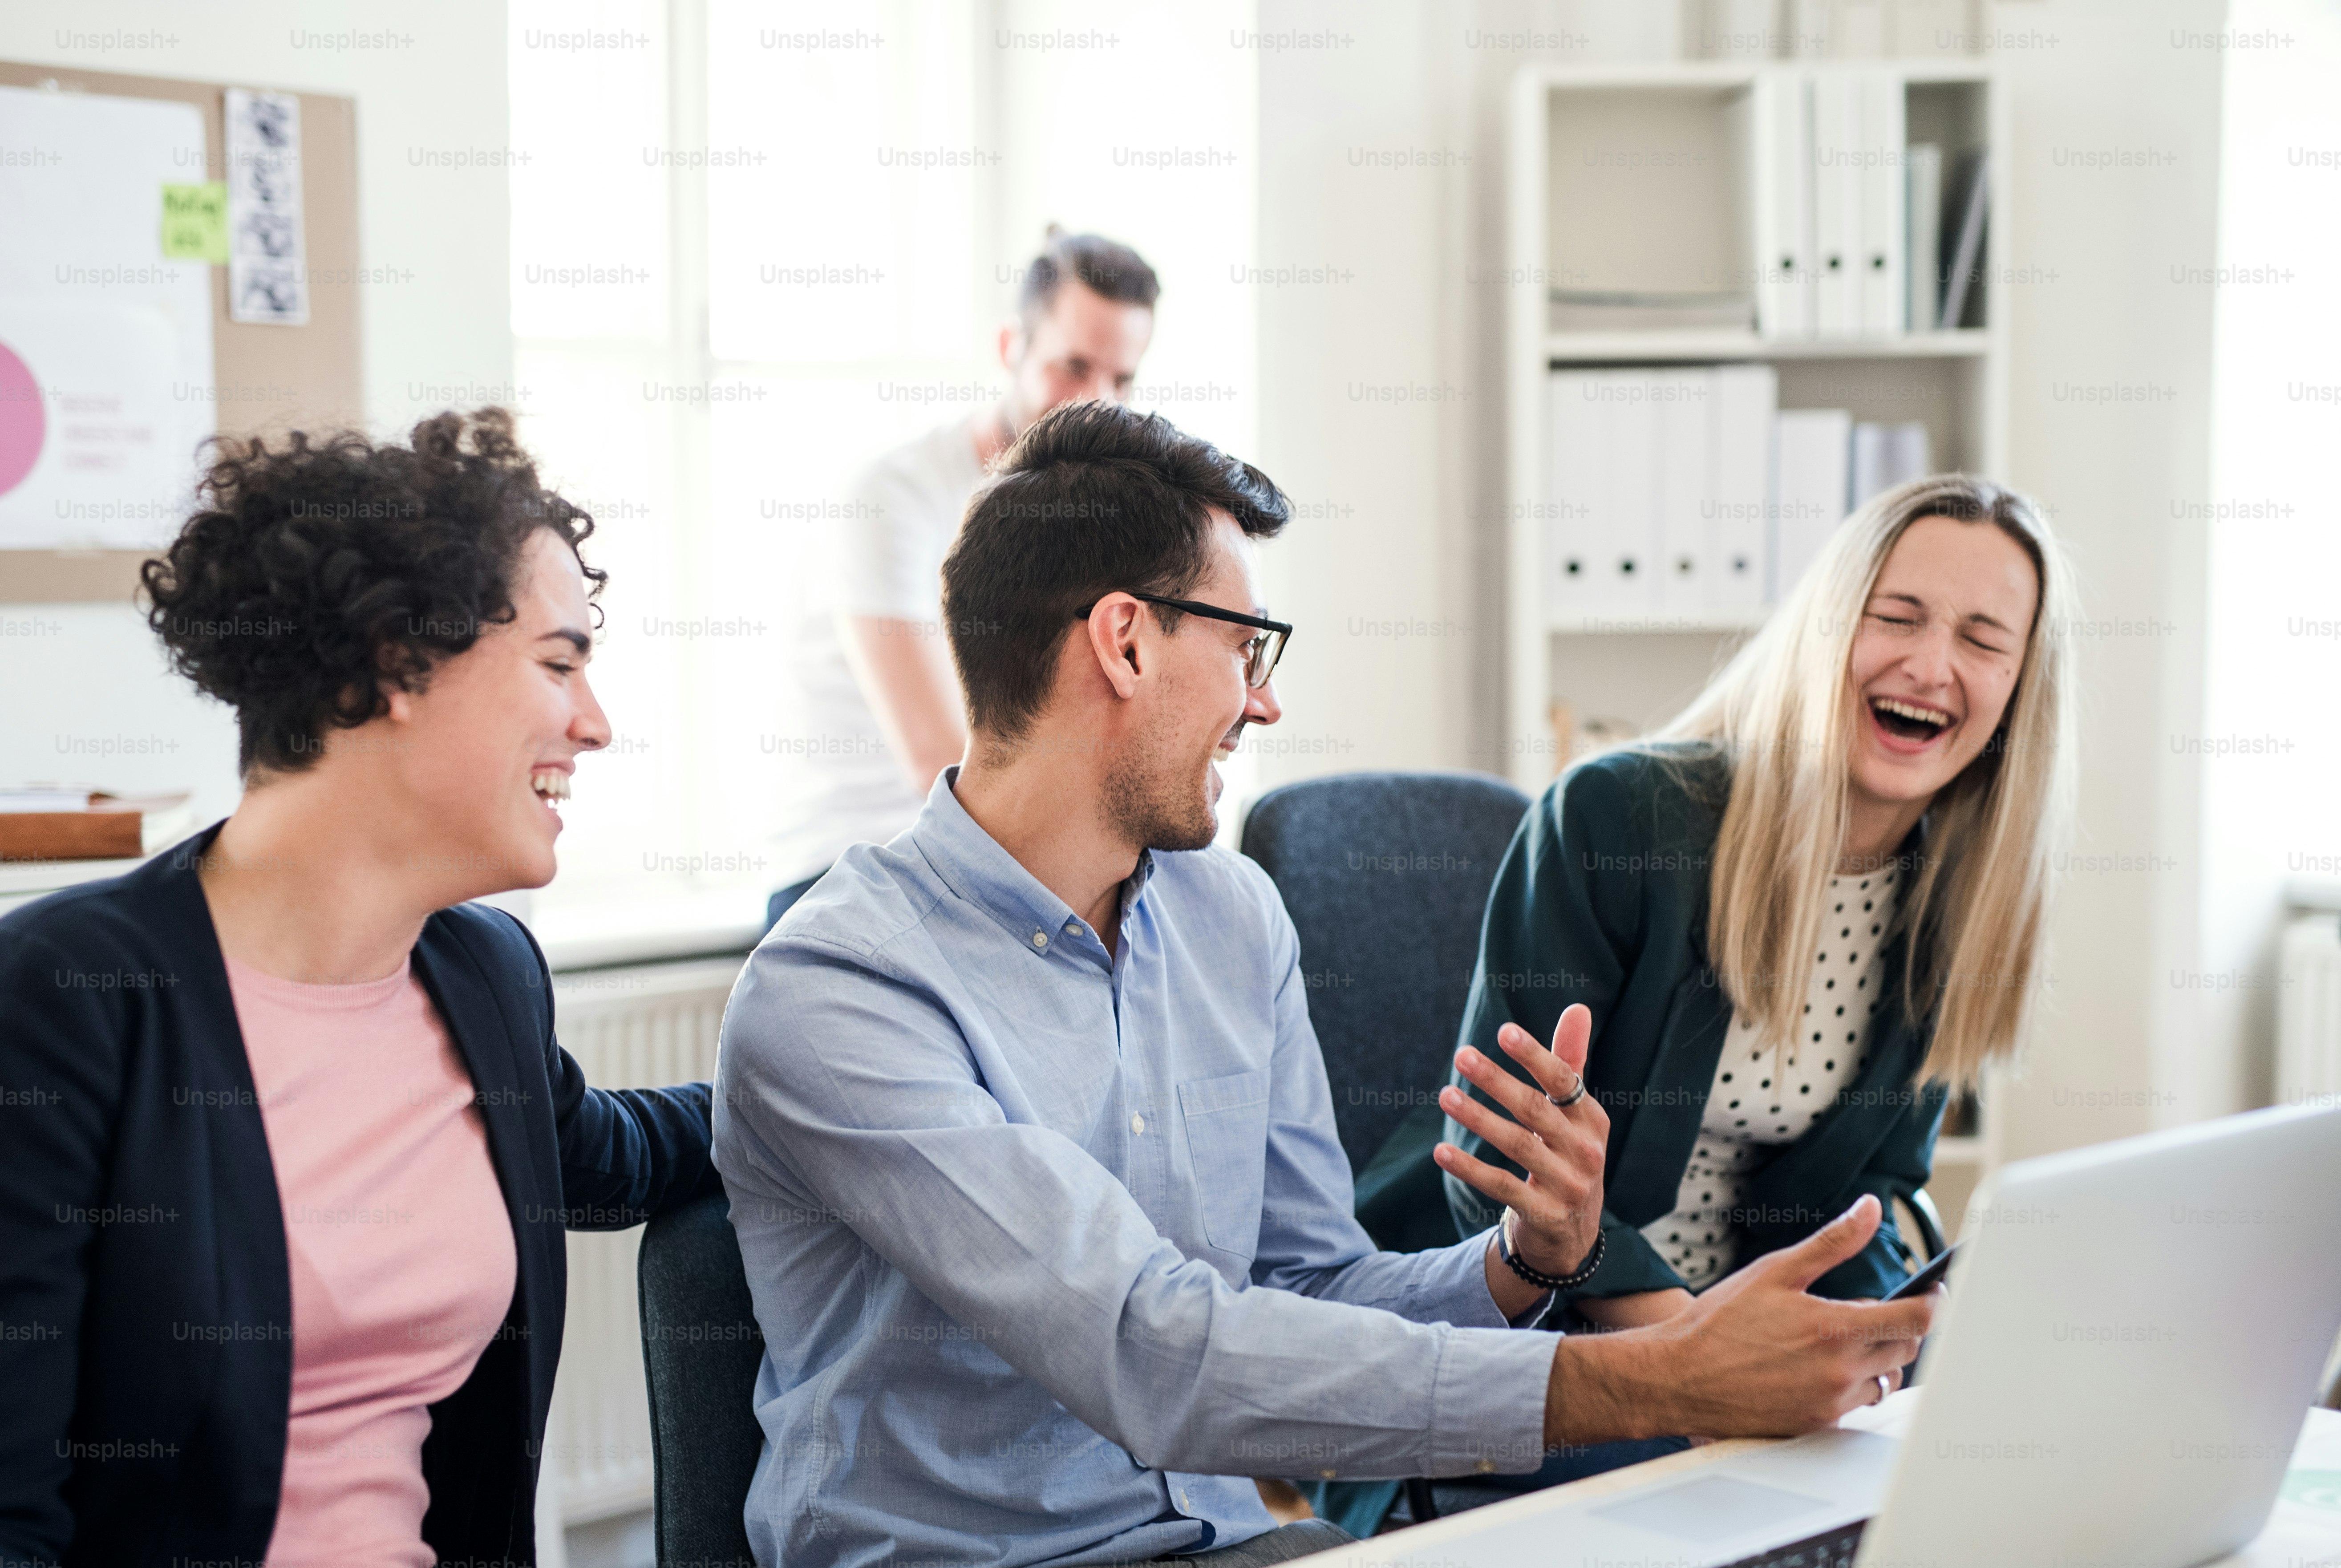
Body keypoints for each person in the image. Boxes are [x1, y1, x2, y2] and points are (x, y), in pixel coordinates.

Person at [713, 402, 1940, 1568]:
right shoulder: (840, 985)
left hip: (1232, 1539)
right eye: (1245, 646)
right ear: (1125, 639)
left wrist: (1524, 1259)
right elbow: (1155, 1350)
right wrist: (1662, 1375)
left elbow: (1308, 1285)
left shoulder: (1228, 914)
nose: (1265, 698)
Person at [0, 412, 720, 1568]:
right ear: (398, 660)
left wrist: (846, 1079)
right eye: (557, 661)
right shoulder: (65, 998)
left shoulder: (483, 973)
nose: (595, 723)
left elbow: (604, 1148)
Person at [1369, 474, 2074, 1521]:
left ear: (2019, 688)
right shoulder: (1615, 820)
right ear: (1828, 627)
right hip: (1538, 1342)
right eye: (1896, 617)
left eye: (1982, 639)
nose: (1930, 667)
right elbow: (1501, 1177)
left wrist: (1857, 1346)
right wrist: (1696, 1354)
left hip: (1743, 1364)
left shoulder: (1955, 904)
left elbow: (1870, 1190)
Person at [768, 229, 1160, 929]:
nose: (1098, 402)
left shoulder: (1089, 518)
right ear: (1011, 349)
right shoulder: (892, 499)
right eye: (1073, 366)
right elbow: (938, 762)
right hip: (852, 873)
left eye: (1121, 378)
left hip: (993, 866)